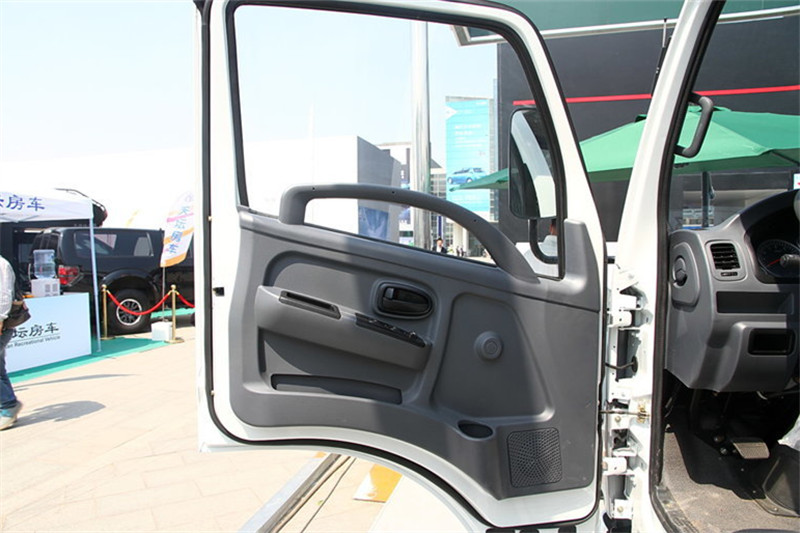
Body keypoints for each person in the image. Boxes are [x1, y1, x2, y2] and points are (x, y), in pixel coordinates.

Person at [0, 254, 22, 431]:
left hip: (2, 324)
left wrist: (0, 318)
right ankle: (7, 406)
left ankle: (8, 405)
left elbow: (5, 295)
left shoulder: (1, 265)